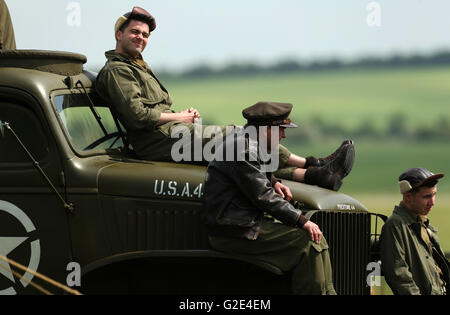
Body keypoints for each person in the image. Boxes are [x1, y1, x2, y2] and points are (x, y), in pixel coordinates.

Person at [95, 6, 355, 191]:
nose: (141, 38)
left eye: (145, 35)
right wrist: (180, 116)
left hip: (169, 135)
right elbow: (138, 116)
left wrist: (182, 118)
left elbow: (152, 109)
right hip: (159, 141)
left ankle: (314, 176)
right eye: (135, 32)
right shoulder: (118, 71)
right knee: (244, 138)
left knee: (242, 160)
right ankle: (315, 163)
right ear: (119, 34)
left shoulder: (135, 66)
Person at [203, 101, 340, 295]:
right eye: (281, 130)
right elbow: (263, 196)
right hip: (233, 231)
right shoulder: (244, 149)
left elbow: (253, 174)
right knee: (307, 242)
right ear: (266, 129)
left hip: (242, 224)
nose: (283, 135)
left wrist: (274, 180)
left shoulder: (245, 142)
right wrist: (301, 220)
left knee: (317, 241)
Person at [380, 167, 449, 295]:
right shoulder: (395, 226)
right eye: (427, 196)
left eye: (434, 195)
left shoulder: (424, 226)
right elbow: (400, 277)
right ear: (407, 197)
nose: (432, 202)